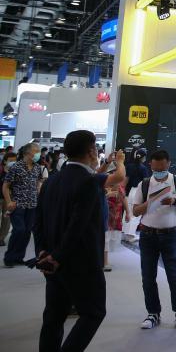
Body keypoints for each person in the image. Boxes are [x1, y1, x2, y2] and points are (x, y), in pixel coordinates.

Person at [33, 130, 106, 352]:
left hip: (51, 260)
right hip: (81, 263)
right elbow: (78, 225)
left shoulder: (52, 180)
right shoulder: (89, 182)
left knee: (54, 316)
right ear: (91, 151)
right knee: (93, 312)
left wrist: (43, 252)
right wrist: (57, 256)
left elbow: (38, 221)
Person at [132, 149, 176, 332]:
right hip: (147, 236)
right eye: (156, 169)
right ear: (150, 165)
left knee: (175, 276)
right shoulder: (144, 184)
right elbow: (135, 211)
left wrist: (174, 201)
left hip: (169, 236)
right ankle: (153, 313)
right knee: (148, 277)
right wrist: (151, 203)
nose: (159, 172)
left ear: (168, 164)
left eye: (162, 169)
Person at [3, 142, 44, 267]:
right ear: (27, 152)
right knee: (19, 230)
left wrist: (39, 193)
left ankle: (19, 257)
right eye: (36, 151)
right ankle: (9, 257)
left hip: (32, 204)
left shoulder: (37, 167)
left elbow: (38, 182)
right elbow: (5, 186)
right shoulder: (16, 167)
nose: (38, 154)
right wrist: (9, 202)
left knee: (27, 232)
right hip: (18, 204)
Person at [104, 180, 129, 270]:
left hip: (116, 218)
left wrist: (128, 212)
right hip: (104, 217)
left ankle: (104, 260)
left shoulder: (120, 188)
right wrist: (107, 195)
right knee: (105, 239)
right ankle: (105, 262)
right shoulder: (103, 186)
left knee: (110, 239)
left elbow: (124, 199)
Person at [0, 150, 16, 246]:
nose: (13, 163)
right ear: (5, 161)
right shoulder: (1, 170)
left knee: (6, 219)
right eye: (11, 160)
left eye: (14, 161)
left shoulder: (16, 172)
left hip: (9, 199)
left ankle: (1, 238)